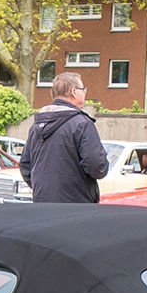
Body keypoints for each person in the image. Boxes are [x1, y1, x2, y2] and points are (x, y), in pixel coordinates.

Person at [17, 72, 109, 203]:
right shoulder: (82, 124)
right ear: (74, 92)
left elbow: (26, 165)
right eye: (83, 89)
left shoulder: (36, 127)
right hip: (76, 205)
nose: (84, 93)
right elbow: (97, 166)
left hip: (42, 202)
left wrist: (44, 187)